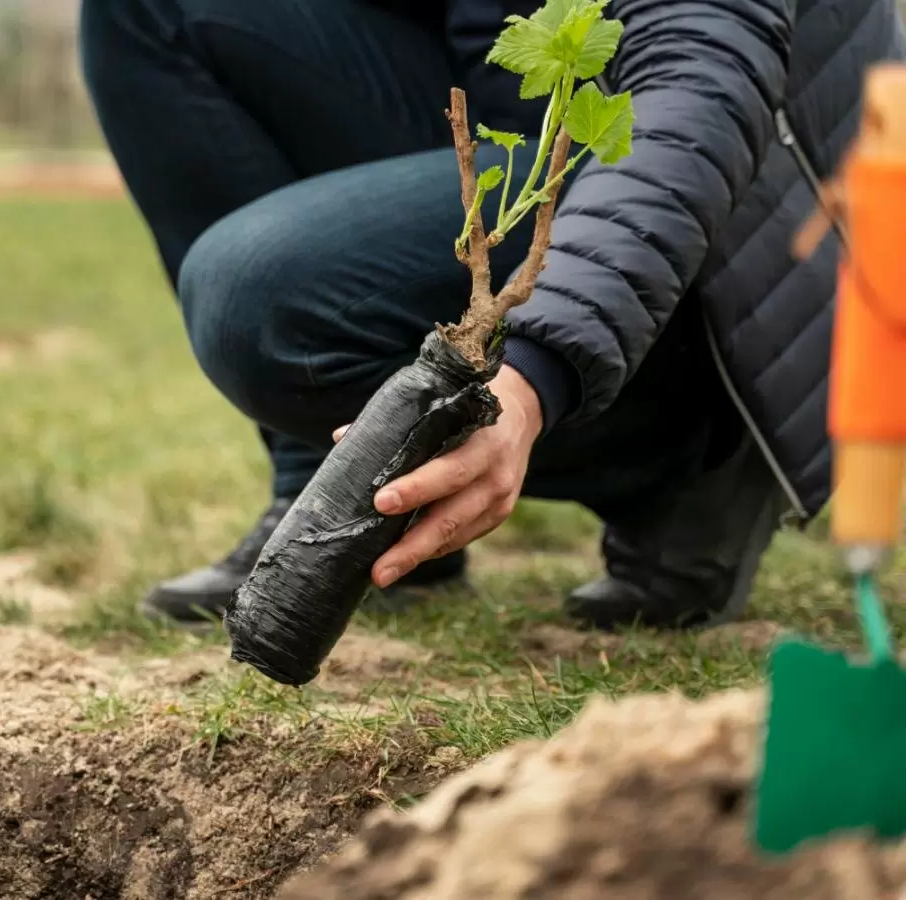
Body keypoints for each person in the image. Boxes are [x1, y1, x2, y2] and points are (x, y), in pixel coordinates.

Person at [79, 0, 906, 630]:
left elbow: (696, 83)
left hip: (724, 220)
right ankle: (350, 497)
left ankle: (697, 457)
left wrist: (536, 374)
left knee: (257, 294)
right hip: (526, 125)